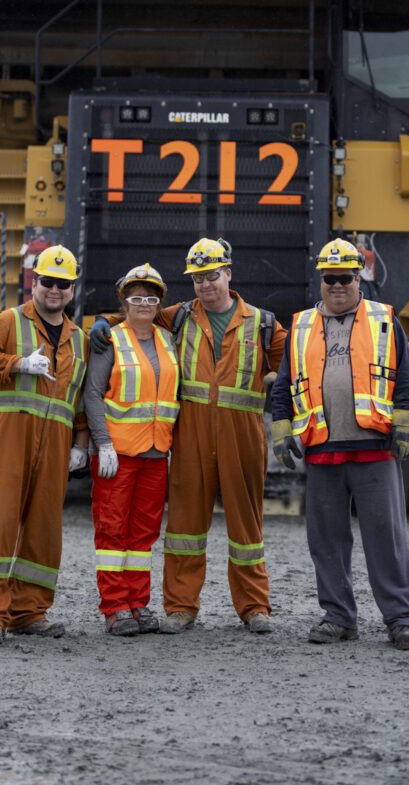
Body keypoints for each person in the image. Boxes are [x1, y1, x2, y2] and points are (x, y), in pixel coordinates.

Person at [91, 238, 286, 635]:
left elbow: (290, 370)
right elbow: (136, 317)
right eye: (197, 278)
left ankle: (253, 607)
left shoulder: (263, 323)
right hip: (191, 434)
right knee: (184, 527)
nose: (205, 285)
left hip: (242, 435)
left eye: (212, 276)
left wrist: (286, 424)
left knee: (247, 528)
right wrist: (103, 323)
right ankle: (181, 606)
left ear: (228, 274)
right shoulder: (177, 316)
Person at [270, 238, 409, 650]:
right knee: (327, 542)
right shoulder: (301, 326)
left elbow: (408, 379)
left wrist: (404, 425)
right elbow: (282, 386)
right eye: (330, 278)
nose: (337, 285)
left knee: (386, 538)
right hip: (323, 453)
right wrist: (281, 433)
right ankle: (339, 617)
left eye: (346, 278)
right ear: (320, 280)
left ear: (360, 279)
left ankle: (400, 619)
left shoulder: (384, 319)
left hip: (374, 450)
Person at [0, 244, 89, 646]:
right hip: (7, 440)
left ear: (72, 289)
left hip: (54, 446)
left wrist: (80, 444)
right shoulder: (10, 321)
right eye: (48, 282)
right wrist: (18, 363)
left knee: (44, 530)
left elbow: (82, 400)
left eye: (63, 284)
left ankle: (29, 612)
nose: (55, 290)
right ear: (34, 282)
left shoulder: (79, 340)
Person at [84, 264, 179, 636]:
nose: (144, 303)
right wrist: (102, 443)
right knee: (112, 533)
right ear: (123, 302)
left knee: (143, 536)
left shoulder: (167, 339)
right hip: (117, 456)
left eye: (151, 298)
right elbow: (92, 393)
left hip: (156, 453)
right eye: (136, 297)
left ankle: (138, 603)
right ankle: (115, 607)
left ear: (159, 304)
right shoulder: (110, 339)